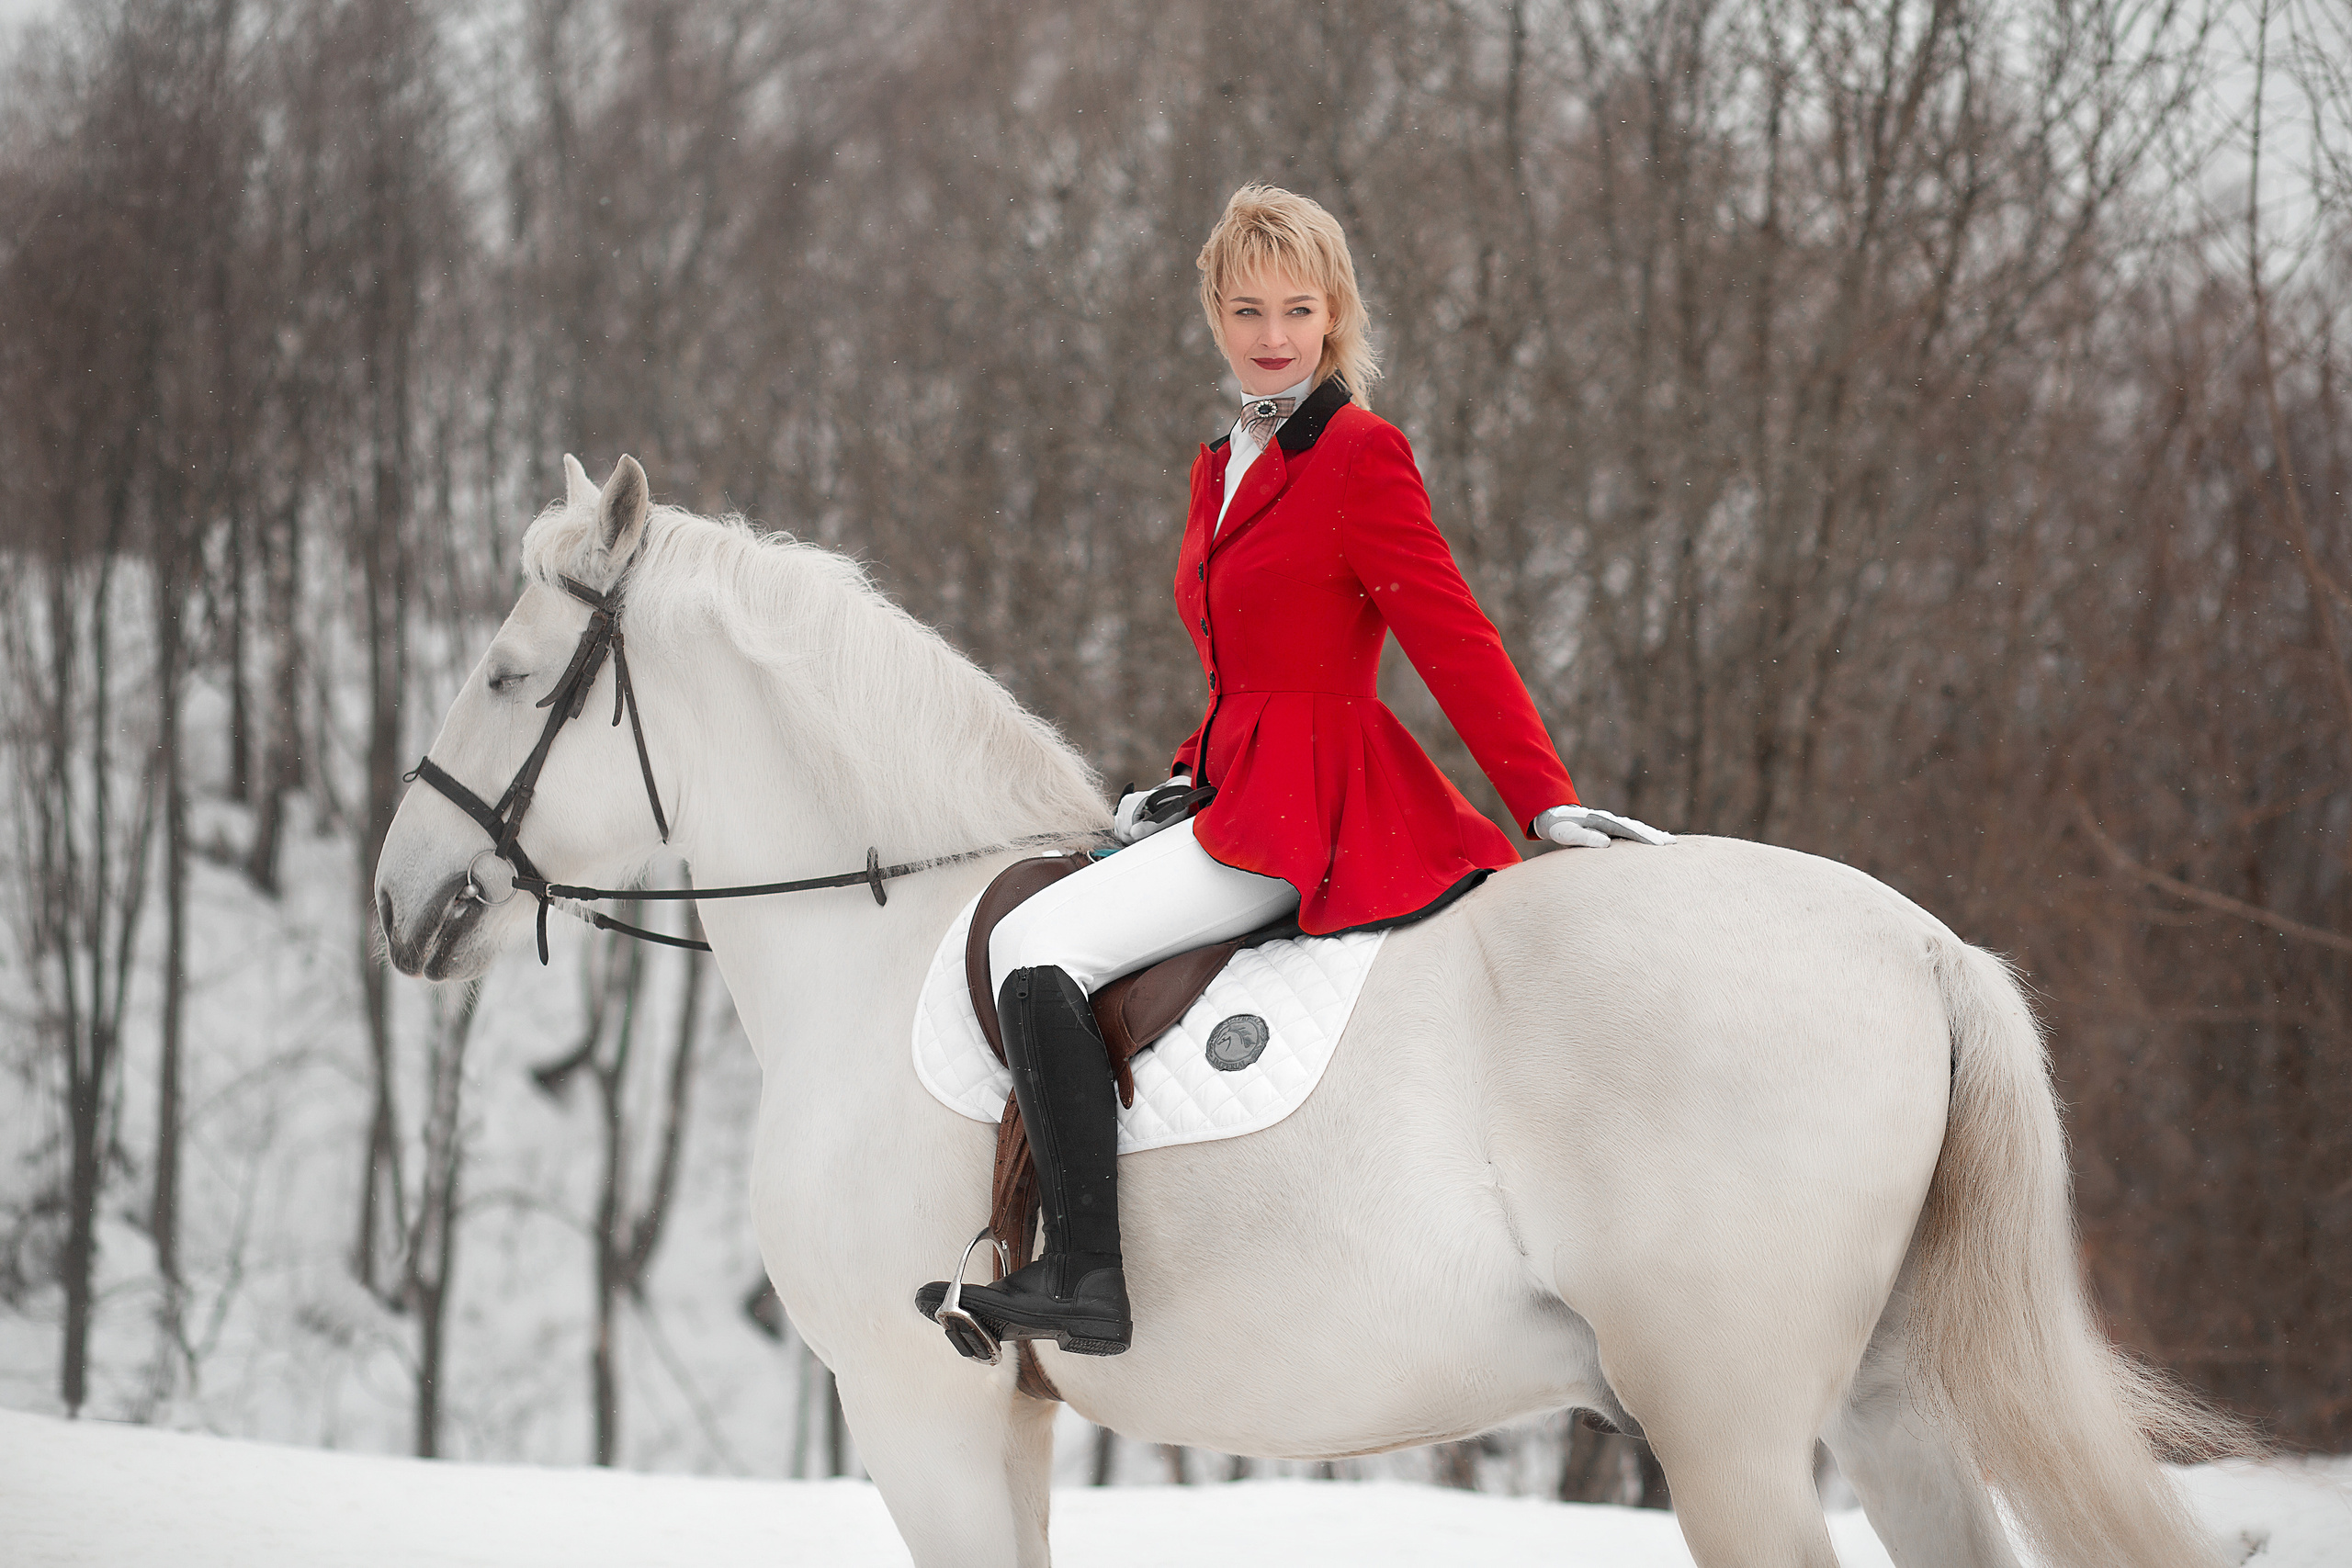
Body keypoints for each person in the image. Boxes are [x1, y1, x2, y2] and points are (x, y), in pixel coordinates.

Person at [919, 182, 1668, 1357]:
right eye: (1247, 308)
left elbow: (1450, 633)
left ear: (1336, 318)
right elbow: (1240, 665)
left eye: (1297, 310)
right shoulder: (1218, 460)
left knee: (1033, 945)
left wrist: (1544, 798)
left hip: (1313, 807)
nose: (1273, 335)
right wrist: (1185, 772)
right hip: (1234, 784)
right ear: (1213, 316)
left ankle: (1083, 1275)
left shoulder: (1361, 456)